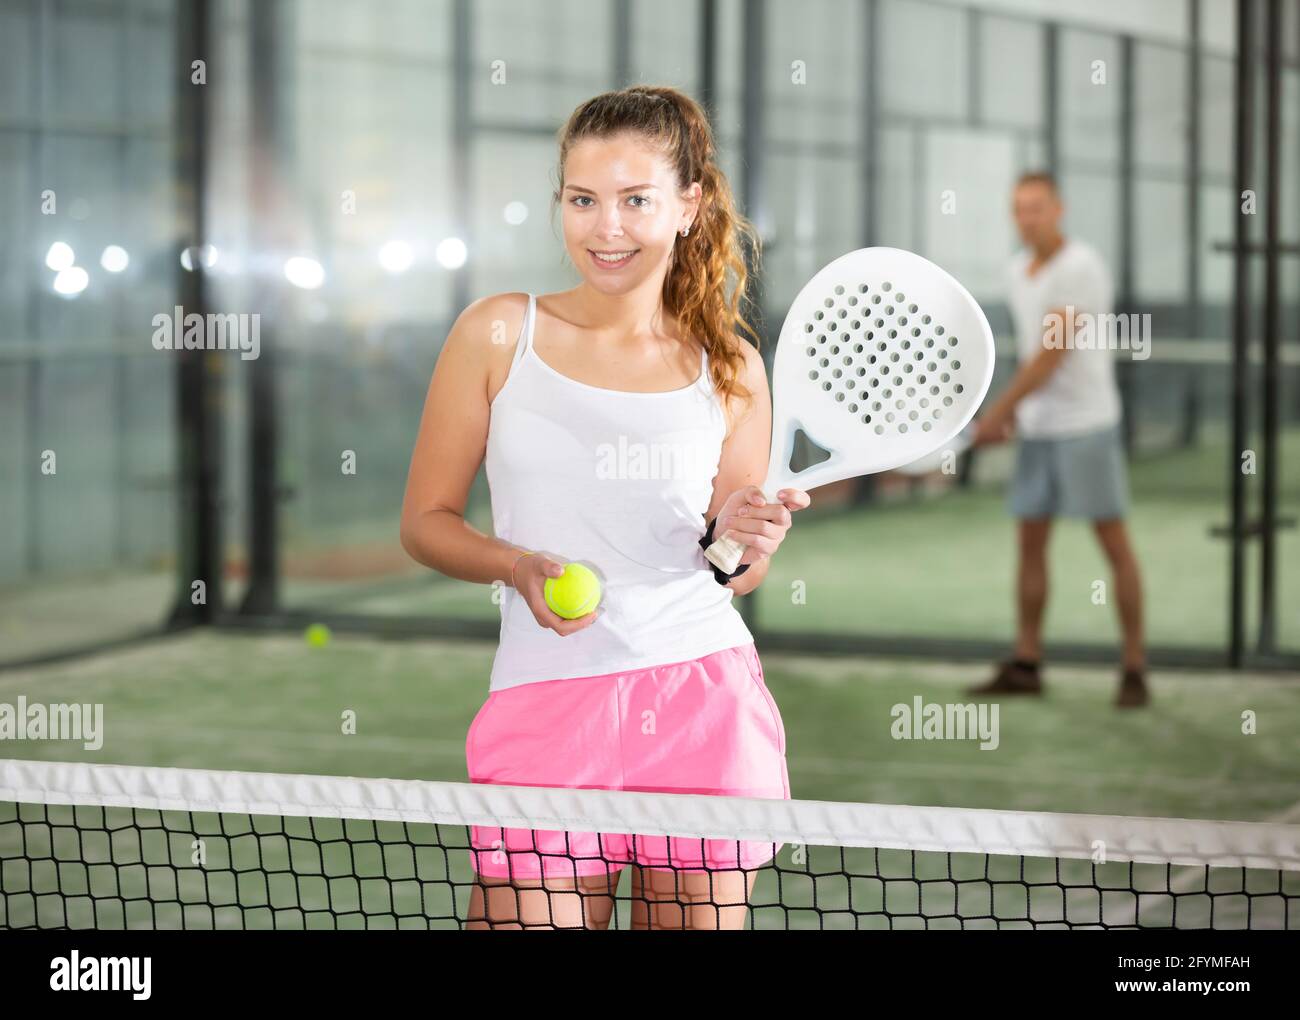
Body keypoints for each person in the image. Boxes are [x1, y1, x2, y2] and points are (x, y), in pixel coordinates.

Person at [399, 86, 810, 929]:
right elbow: (425, 522)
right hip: (545, 703)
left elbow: (734, 571)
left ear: (688, 206)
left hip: (703, 703)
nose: (606, 228)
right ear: (560, 203)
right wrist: (517, 567)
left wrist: (745, 539)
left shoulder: (731, 366)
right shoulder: (497, 333)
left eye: (634, 201)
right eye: (583, 200)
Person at [968, 171, 1148, 708]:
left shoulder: (1081, 267)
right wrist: (1018, 417)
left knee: (1115, 547)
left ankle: (1134, 668)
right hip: (1040, 430)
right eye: (1020, 208)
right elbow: (1030, 359)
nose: (1028, 218)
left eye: (1038, 208)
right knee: (1030, 546)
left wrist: (999, 412)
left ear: (1058, 210)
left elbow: (1051, 353)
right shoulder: (1017, 271)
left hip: (1087, 426)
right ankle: (1027, 663)